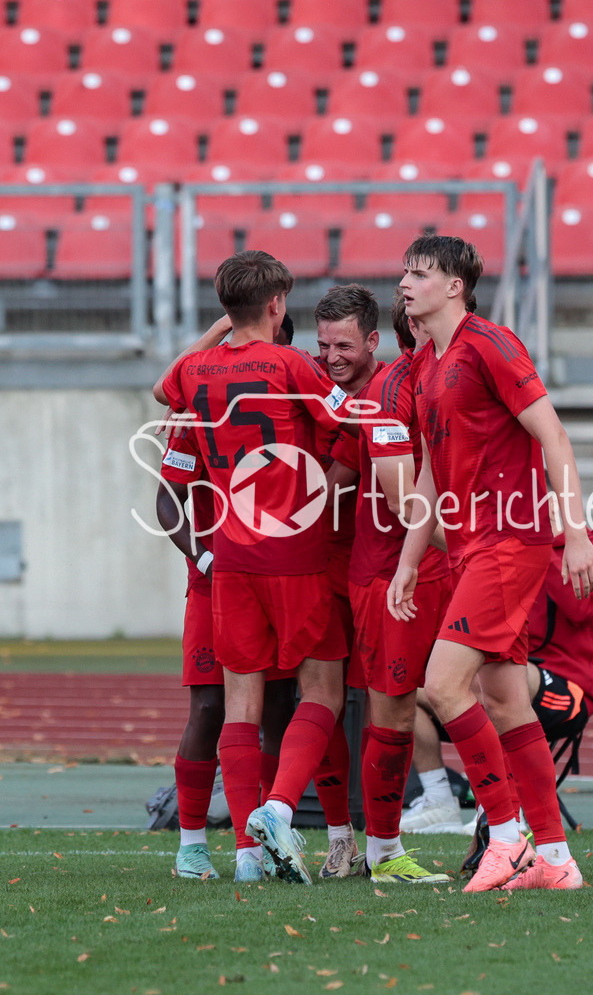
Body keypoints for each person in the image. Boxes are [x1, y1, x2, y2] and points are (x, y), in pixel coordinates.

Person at [388, 234, 593, 892]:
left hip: (510, 544)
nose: (405, 282)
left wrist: (577, 531)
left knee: (442, 686)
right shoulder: (427, 364)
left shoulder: (491, 343)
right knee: (505, 701)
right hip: (471, 549)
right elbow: (427, 477)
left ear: (455, 285)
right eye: (404, 271)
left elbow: (553, 435)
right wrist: (407, 561)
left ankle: (506, 837)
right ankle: (556, 859)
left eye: (419, 273)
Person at [154, 250, 354, 885]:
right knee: (321, 690)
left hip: (230, 560)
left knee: (240, 705)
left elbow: (166, 388)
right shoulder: (293, 364)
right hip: (294, 551)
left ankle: (245, 855)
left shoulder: (193, 374)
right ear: (276, 306)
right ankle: (277, 807)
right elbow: (352, 423)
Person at [155, 314, 298, 881]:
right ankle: (192, 845)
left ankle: (254, 840)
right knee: (211, 707)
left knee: (280, 708)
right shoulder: (199, 413)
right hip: (217, 580)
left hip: (283, 576)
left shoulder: (299, 402)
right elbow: (168, 501)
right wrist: (206, 557)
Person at [401, 520, 593, 836]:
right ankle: (439, 800)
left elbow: (580, 606)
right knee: (401, 690)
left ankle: (503, 809)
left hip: (569, 686)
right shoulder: (509, 542)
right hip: (511, 668)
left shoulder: (591, 547)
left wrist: (534, 551)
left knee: (493, 679)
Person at [342, 290, 456, 882]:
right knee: (393, 712)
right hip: (395, 574)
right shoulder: (393, 389)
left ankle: (509, 832)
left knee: (486, 692)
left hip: (437, 565)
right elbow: (402, 497)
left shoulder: (445, 378)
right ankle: (382, 852)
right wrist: (473, 551)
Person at [312, 284, 384, 879]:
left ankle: (386, 842)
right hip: (318, 570)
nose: (331, 356)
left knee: (396, 704)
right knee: (321, 705)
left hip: (387, 570)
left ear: (372, 342)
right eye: (323, 344)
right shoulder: (306, 384)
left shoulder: (394, 388)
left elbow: (334, 477)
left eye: (343, 345)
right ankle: (340, 839)